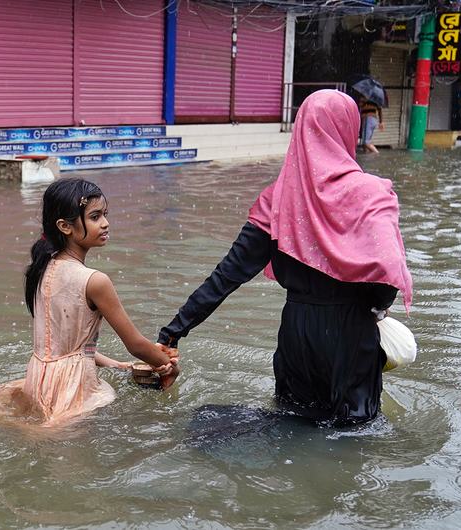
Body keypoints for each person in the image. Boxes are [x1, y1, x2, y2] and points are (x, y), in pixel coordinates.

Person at [157, 90, 412, 427]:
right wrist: (378, 307)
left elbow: (227, 275)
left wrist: (172, 333)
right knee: (356, 431)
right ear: (348, 129)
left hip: (296, 336)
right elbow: (387, 271)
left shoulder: (277, 201)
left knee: (293, 421)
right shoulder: (371, 193)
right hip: (351, 334)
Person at [0, 178, 178, 427]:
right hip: (74, 386)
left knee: (39, 430)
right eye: (95, 217)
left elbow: (65, 348)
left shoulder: (42, 268)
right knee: (53, 437)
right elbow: (136, 345)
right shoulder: (95, 281)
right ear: (65, 226)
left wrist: (116, 364)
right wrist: (169, 366)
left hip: (38, 378)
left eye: (105, 215)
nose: (106, 223)